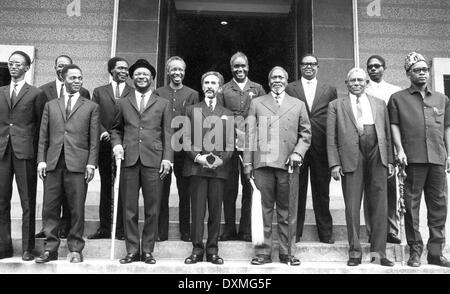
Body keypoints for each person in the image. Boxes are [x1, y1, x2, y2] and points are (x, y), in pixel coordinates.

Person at [327, 68, 394, 267]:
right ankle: (355, 252)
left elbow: (387, 134)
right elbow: (331, 138)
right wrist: (334, 163)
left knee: (380, 205)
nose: (357, 83)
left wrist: (390, 160)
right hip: (350, 157)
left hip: (377, 154)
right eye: (352, 80)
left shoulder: (380, 104)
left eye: (360, 80)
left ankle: (378, 254)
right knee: (352, 206)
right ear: (346, 84)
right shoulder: (336, 106)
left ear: (366, 83)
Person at [388, 52, 450, 268]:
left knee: (439, 206)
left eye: (425, 70)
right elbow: (394, 125)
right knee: (411, 207)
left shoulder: (441, 99)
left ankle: (436, 252)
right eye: (417, 70)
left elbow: (446, 128)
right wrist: (399, 150)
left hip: (437, 159)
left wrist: (448, 154)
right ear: (408, 73)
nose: (422, 73)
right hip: (412, 160)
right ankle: (415, 252)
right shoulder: (398, 98)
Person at [244, 66, 311, 266]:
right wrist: (248, 162)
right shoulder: (257, 103)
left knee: (287, 211)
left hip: (288, 164)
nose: (277, 80)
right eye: (273, 77)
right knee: (264, 210)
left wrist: (298, 152)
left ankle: (287, 252)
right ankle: (263, 253)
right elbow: (249, 135)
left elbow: (306, 134)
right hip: (263, 163)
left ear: (287, 80)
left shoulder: (298, 104)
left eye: (281, 77)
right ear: (268, 80)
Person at [35, 64, 99, 263]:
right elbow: (43, 136)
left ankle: (75, 249)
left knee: (76, 208)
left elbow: (94, 139)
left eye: (80, 77)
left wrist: (91, 164)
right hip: (53, 163)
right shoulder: (51, 105)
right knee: (50, 208)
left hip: (78, 164)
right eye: (73, 78)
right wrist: (41, 161)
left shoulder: (91, 106)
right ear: (63, 79)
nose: (77, 81)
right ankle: (50, 248)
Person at [111, 59, 173, 264]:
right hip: (129, 159)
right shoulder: (122, 101)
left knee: (152, 208)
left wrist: (167, 158)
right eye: (137, 74)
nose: (141, 77)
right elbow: (116, 129)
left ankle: (147, 250)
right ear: (132, 77)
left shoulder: (163, 103)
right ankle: (131, 250)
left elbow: (167, 132)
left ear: (152, 78)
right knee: (128, 208)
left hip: (153, 159)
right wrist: (116, 144)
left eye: (145, 74)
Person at [183, 71, 234, 265]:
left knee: (215, 210)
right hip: (197, 167)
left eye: (214, 83)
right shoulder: (191, 110)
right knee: (197, 211)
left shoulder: (227, 114)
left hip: (219, 169)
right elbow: (185, 138)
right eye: (207, 83)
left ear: (220, 87)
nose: (210, 86)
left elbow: (230, 142)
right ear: (202, 86)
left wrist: (222, 160)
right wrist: (198, 157)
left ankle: (212, 250)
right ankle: (197, 249)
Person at [285, 54, 337, 244]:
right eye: (305, 64)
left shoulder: (329, 89)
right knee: (296, 191)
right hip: (298, 145)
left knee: (322, 191)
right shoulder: (291, 88)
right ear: (300, 67)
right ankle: (295, 233)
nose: (309, 67)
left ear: (317, 67)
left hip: (321, 146)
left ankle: (325, 233)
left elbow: (333, 118)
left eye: (312, 64)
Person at [0, 51, 46, 261]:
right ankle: (4, 247)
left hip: (25, 152)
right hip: (2, 152)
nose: (13, 67)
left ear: (27, 68)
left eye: (18, 64)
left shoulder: (36, 93)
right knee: (1, 201)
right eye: (11, 64)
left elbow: (40, 127)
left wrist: (39, 157)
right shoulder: (0, 91)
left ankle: (28, 248)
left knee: (28, 201)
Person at [218, 52, 266, 242]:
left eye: (243, 66)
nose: (240, 69)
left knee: (249, 187)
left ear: (248, 67)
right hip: (230, 145)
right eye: (236, 66)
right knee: (229, 189)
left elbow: (263, 116)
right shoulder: (224, 90)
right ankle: (229, 228)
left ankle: (246, 229)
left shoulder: (258, 88)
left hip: (250, 146)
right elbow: (219, 119)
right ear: (231, 68)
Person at [154, 56, 199, 242]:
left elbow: (194, 123)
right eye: (173, 69)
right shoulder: (158, 92)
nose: (177, 73)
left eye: (180, 69)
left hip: (183, 150)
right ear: (167, 71)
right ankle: (160, 232)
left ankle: (185, 231)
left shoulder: (192, 94)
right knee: (161, 192)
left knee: (185, 192)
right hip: (163, 149)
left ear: (184, 72)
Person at [89, 57, 132, 241]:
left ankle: (121, 228)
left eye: (126, 68)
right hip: (105, 145)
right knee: (107, 186)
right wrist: (103, 132)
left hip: (126, 145)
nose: (124, 71)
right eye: (120, 68)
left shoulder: (133, 91)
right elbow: (94, 115)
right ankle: (105, 227)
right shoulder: (99, 91)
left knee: (123, 187)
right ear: (111, 70)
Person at [364, 55, 402, 245]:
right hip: (370, 147)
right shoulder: (362, 88)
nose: (373, 70)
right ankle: (372, 230)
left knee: (390, 189)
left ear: (384, 68)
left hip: (390, 145)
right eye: (370, 67)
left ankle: (392, 229)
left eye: (377, 66)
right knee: (370, 189)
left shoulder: (394, 91)